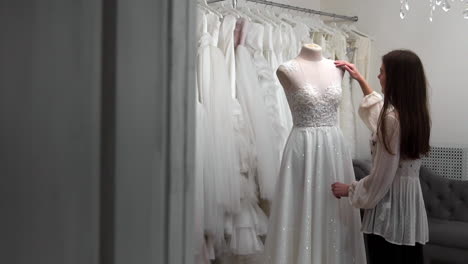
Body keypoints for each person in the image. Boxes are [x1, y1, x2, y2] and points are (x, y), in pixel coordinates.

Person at [264, 44, 366, 264]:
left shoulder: (337, 68)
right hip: (303, 149)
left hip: (334, 149)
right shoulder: (286, 69)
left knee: (335, 212)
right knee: (301, 210)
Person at [332, 49, 431, 264]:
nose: (378, 77)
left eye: (382, 72)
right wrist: (360, 80)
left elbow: (382, 177)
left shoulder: (392, 120)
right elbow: (381, 118)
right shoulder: (416, 116)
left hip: (389, 208)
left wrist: (350, 189)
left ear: (396, 79)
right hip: (408, 208)